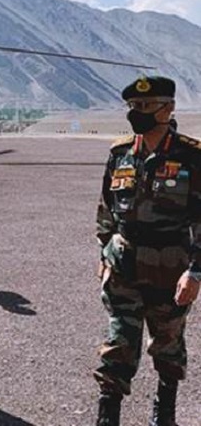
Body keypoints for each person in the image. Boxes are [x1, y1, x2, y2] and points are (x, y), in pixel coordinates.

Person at [94, 76, 201, 426]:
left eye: (145, 106)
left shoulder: (191, 156)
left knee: (168, 345)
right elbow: (107, 209)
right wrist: (103, 252)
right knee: (118, 343)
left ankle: (164, 412)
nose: (136, 113)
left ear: (168, 108)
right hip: (123, 265)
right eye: (133, 107)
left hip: (170, 270)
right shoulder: (120, 153)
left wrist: (195, 272)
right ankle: (107, 417)